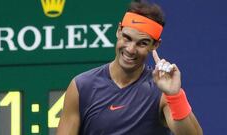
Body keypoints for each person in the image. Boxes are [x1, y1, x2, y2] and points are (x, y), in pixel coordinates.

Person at [57, 1, 203, 135]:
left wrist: (175, 96)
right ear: (118, 31)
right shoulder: (81, 86)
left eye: (142, 43)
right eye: (127, 38)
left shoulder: (162, 91)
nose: (131, 49)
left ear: (155, 45)